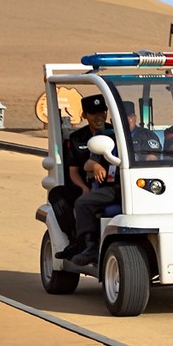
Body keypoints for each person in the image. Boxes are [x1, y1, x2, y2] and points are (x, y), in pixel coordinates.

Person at [54, 94, 114, 260]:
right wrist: (83, 188)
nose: (99, 117)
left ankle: (89, 244)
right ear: (84, 115)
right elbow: (73, 170)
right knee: (57, 195)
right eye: (93, 113)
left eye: (102, 112)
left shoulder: (115, 133)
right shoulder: (77, 138)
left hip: (109, 185)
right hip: (84, 184)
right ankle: (75, 239)